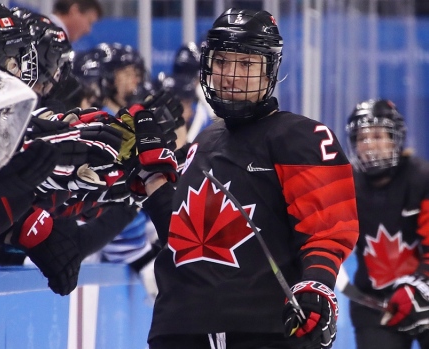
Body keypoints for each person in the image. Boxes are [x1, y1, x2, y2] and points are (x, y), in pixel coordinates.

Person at [135, 8, 359, 348]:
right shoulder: (202, 142)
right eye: (222, 61)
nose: (231, 75)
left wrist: (317, 284)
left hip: (264, 329)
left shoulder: (300, 136)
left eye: (246, 64)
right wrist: (151, 176)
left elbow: (328, 229)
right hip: (180, 328)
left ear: (270, 69)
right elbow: (185, 240)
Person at [345, 99, 429, 349]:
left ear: (396, 139)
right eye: (362, 138)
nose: (369, 145)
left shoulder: (422, 178)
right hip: (373, 303)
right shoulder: (346, 186)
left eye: (378, 136)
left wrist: (417, 289)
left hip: (425, 292)